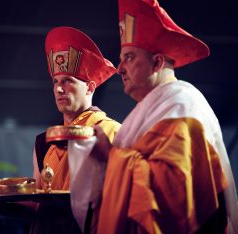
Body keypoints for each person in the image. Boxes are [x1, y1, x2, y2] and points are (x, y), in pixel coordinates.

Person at [90, 0, 238, 233]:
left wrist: (111, 157)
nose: (119, 69)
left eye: (128, 57)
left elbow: (175, 197)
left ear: (157, 62)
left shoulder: (182, 107)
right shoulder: (153, 107)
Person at [30, 26, 121, 234]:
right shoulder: (43, 141)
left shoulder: (110, 131)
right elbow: (38, 202)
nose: (59, 89)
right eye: (56, 82)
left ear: (90, 87)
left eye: (68, 81)